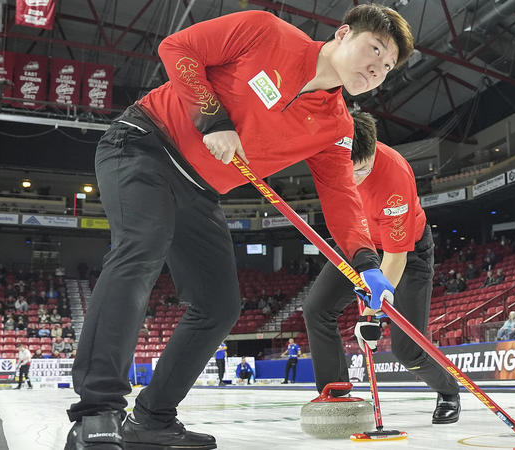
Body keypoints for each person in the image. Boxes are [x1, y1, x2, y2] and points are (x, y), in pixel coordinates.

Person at [65, 4, 413, 450]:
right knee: (142, 247)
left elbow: (341, 196)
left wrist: (366, 262)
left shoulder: (336, 125)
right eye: (375, 50)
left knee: (220, 304)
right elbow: (179, 48)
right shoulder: (265, 31)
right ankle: (98, 411)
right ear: (343, 34)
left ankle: (151, 419)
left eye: (387, 67)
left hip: (200, 191)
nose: (377, 69)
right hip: (143, 145)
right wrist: (212, 118)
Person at [303, 111, 460, 425]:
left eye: (363, 170)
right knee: (316, 309)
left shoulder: (394, 177)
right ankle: (336, 398)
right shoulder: (331, 153)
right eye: (351, 171)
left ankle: (448, 391)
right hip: (358, 243)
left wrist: (370, 316)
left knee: (408, 351)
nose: (355, 179)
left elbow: (395, 258)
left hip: (406, 253)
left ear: (374, 150)